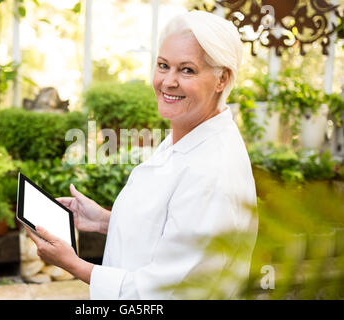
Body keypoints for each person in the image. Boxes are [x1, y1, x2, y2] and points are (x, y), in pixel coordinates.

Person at [25, 10, 258, 300]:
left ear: (222, 78)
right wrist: (104, 220)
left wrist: (72, 264)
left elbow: (161, 291)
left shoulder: (213, 171)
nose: (168, 82)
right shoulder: (187, 134)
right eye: (163, 66)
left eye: (187, 70)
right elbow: (172, 230)